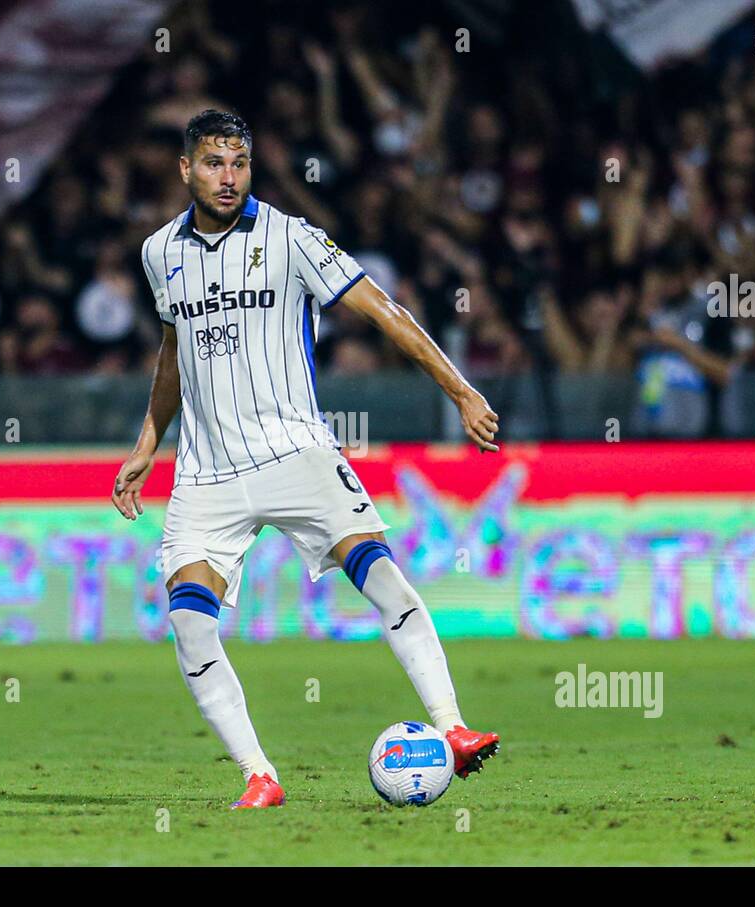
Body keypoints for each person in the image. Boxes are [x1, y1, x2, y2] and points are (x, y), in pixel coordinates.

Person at [111, 109, 501, 808]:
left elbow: (384, 310)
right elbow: (174, 353)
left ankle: (454, 727)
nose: (227, 177)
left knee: (380, 576)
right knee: (189, 620)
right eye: (212, 163)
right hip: (207, 473)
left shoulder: (293, 238)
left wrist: (461, 389)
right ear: (186, 169)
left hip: (299, 452)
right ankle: (259, 775)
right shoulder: (157, 253)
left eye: (239, 163)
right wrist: (147, 445)